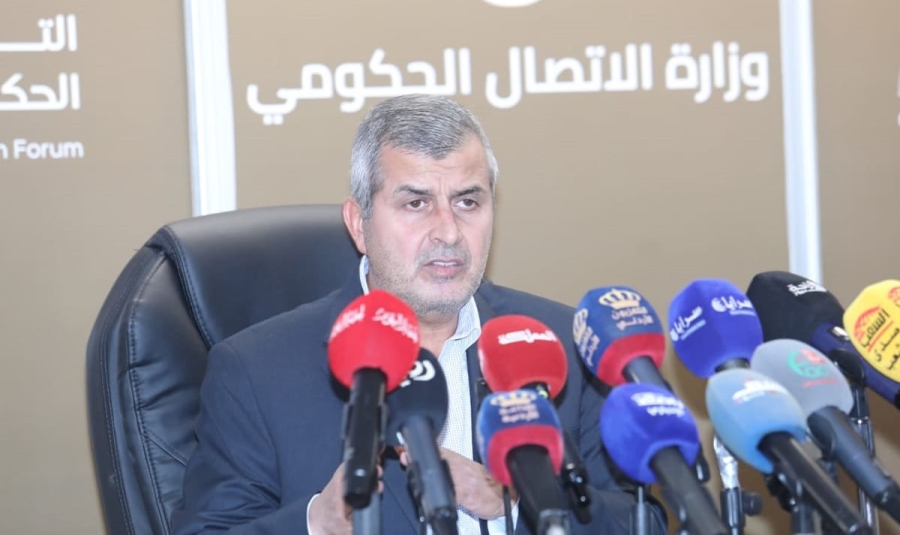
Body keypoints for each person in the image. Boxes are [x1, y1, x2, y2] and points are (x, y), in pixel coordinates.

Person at [171, 94, 667, 535]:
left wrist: (520, 501)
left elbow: (641, 521)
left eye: (467, 201)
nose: (448, 232)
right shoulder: (257, 370)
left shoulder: (560, 346)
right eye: (416, 203)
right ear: (358, 224)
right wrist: (317, 523)